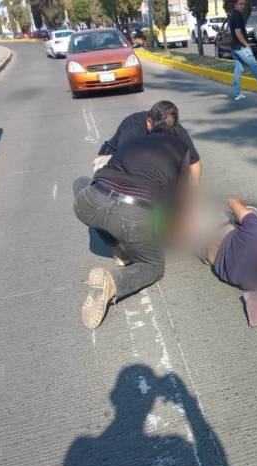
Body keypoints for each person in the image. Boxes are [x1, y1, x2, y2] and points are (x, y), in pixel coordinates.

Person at [73, 102, 192, 329]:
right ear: (176, 126)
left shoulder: (132, 141)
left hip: (92, 204)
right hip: (133, 213)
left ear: (149, 122)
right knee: (152, 266)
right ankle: (112, 283)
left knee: (80, 183)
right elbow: (178, 200)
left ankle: (115, 246)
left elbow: (102, 170)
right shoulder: (181, 149)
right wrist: (172, 231)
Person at [97, 102, 202, 185]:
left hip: (149, 161)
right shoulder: (132, 128)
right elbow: (124, 163)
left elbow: (194, 162)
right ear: (149, 122)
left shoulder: (177, 130)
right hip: (112, 158)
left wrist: (194, 193)